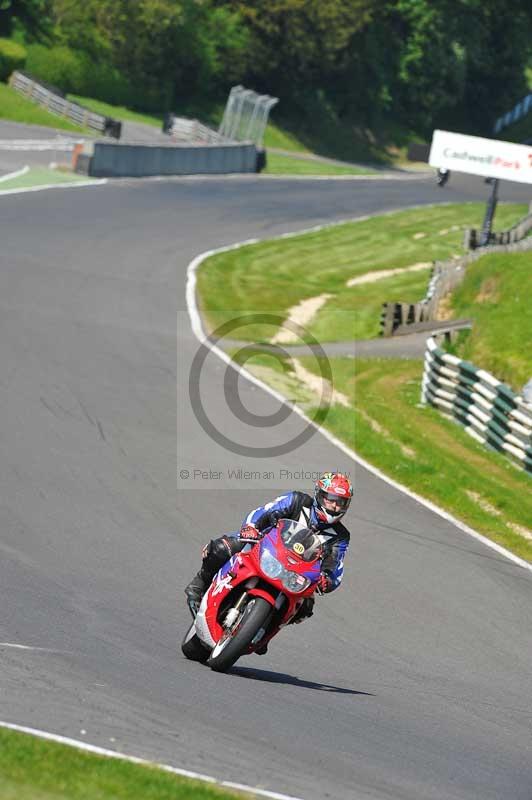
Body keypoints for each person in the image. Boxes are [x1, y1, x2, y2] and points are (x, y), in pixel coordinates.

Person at [184, 472, 353, 649]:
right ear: (320, 495)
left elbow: (336, 564)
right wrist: (251, 528)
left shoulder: (341, 536)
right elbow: (263, 512)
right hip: (261, 546)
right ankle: (198, 585)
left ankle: (264, 625)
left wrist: (328, 579)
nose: (334, 506)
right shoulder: (297, 500)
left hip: (295, 572)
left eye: (340, 502)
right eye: (330, 499)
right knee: (222, 548)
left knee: (305, 606)